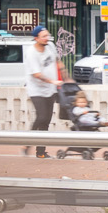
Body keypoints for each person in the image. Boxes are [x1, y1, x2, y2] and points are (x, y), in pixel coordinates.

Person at [24, 24, 61, 158]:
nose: (47, 38)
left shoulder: (50, 47)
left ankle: (41, 152)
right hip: (36, 90)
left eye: (48, 35)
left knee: (46, 121)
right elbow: (36, 74)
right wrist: (52, 81)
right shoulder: (31, 53)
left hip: (50, 90)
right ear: (36, 38)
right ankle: (27, 142)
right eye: (44, 36)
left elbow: (58, 61)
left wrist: (65, 77)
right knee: (41, 117)